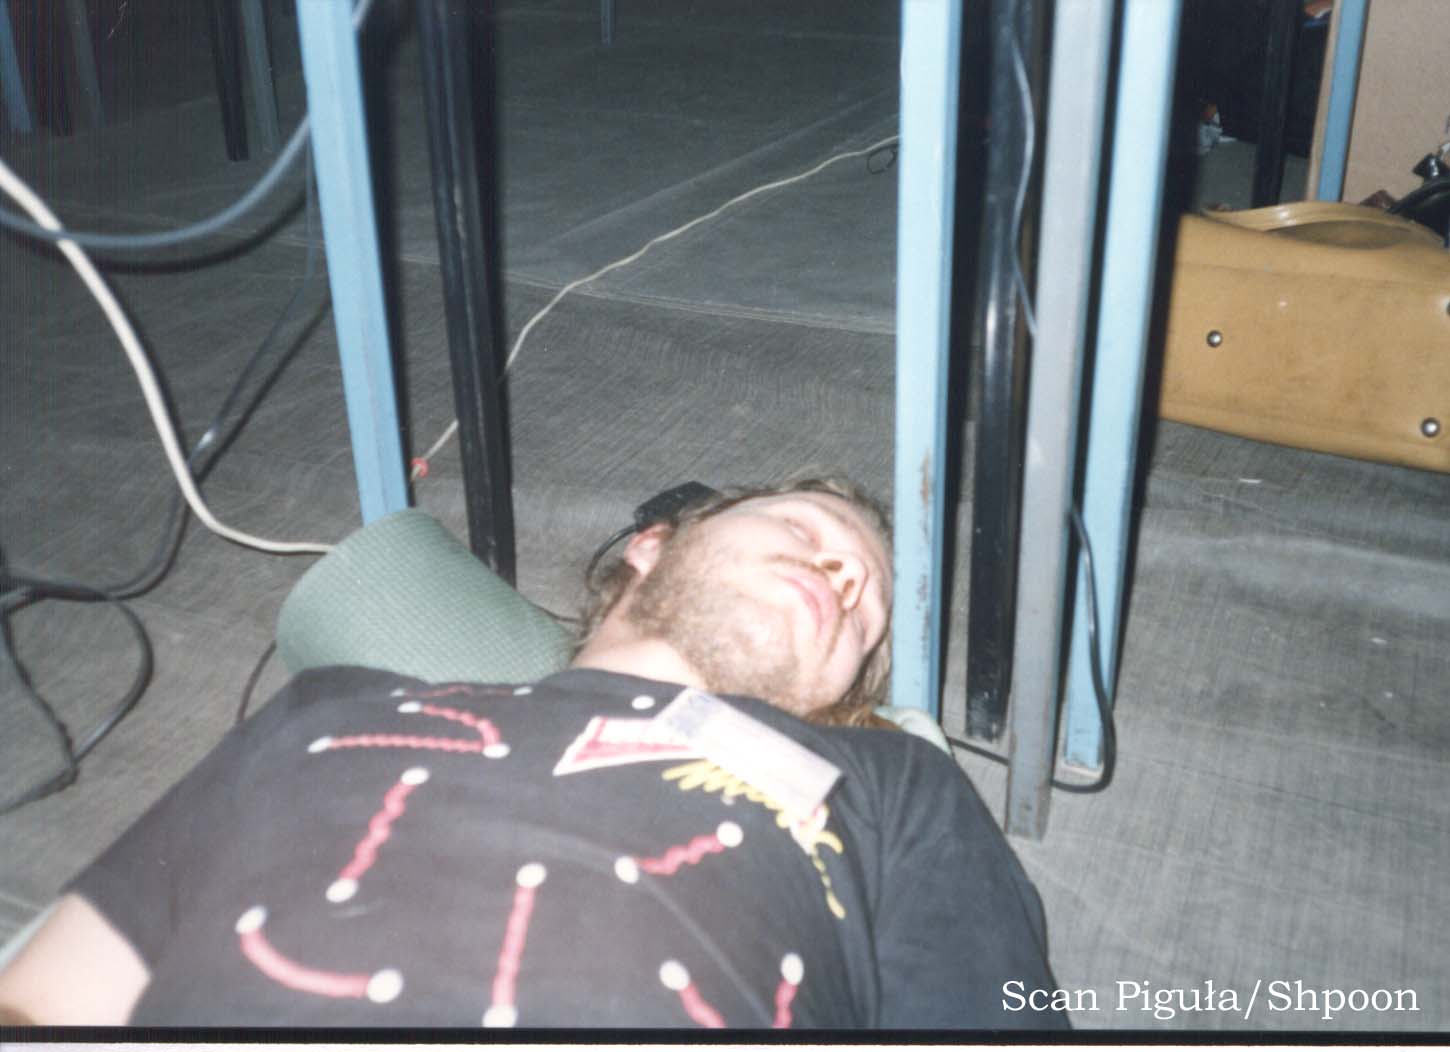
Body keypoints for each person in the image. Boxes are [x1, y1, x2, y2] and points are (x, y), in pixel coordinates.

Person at [0, 478, 1066, 1029]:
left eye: (863, 609)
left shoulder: (893, 784)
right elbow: (46, 998)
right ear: (654, 543)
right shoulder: (326, 703)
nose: (844, 575)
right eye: (804, 529)